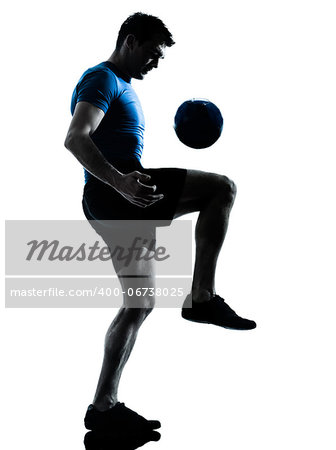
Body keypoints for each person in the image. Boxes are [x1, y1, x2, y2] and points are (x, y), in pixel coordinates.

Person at [65, 12, 256, 442]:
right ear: (130, 41)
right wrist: (122, 183)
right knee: (220, 190)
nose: (155, 63)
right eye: (152, 53)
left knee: (138, 305)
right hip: (119, 192)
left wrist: (122, 189)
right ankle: (201, 298)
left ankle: (103, 409)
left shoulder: (121, 87)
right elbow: (76, 137)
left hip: (112, 200)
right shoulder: (102, 80)